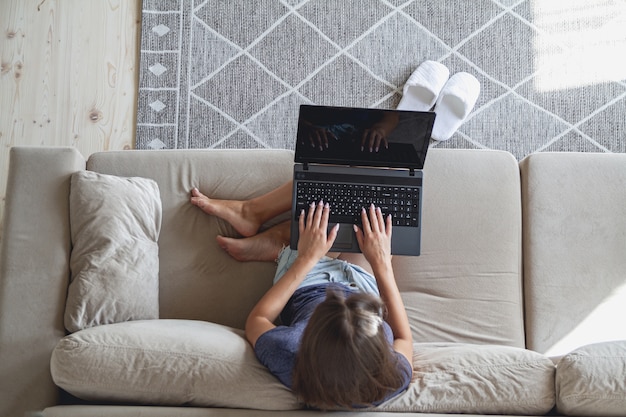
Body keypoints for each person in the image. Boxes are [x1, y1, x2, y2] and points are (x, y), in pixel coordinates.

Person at [190, 183, 413, 409]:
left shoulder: (288, 354)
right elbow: (404, 338)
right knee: (368, 199)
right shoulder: (392, 377)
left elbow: (257, 319)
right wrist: (382, 263)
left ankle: (274, 238)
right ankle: (276, 241)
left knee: (327, 182)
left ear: (308, 339)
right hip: (364, 281)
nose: (341, 294)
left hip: (308, 282)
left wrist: (307, 258)